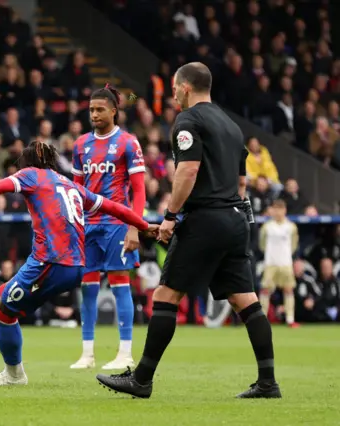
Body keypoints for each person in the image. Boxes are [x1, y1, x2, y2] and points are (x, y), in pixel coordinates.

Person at [96, 62, 282, 399]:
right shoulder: (231, 125)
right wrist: (230, 211)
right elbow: (242, 182)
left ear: (185, 88)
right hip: (235, 220)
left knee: (165, 295)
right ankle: (268, 382)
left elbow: (188, 171)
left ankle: (141, 379)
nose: (172, 95)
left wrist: (170, 216)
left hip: (204, 220)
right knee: (247, 301)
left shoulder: (189, 121)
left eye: (173, 89)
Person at [0, 140, 158, 387]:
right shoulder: (70, 184)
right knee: (2, 303)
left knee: (2, 310)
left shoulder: (32, 175)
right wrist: (144, 225)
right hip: (75, 267)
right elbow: (113, 206)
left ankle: (10, 371)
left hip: (50, 261)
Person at [69, 84, 145, 370]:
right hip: (88, 226)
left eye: (100, 109)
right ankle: (87, 354)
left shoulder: (128, 143)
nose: (95, 114)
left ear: (114, 111)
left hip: (116, 223)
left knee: (119, 286)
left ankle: (125, 353)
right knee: (87, 288)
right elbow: (76, 191)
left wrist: (134, 227)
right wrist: (75, 226)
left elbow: (138, 191)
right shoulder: (80, 145)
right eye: (91, 110)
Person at [259, 199, 299, 328]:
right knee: (265, 290)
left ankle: (290, 319)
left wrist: (285, 256)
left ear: (284, 210)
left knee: (288, 290)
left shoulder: (291, 227)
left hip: (285, 263)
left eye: (280, 209)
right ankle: (262, 320)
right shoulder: (267, 227)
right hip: (270, 263)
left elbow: (294, 245)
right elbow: (262, 244)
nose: (278, 212)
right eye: (275, 209)